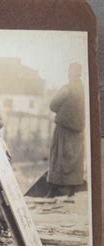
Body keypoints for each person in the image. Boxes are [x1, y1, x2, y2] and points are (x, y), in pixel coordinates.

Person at [46, 62, 85, 198]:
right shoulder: (84, 90)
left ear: (70, 73)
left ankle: (53, 190)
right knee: (75, 158)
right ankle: (72, 190)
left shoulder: (66, 89)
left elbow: (52, 105)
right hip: (79, 130)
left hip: (64, 129)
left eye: (69, 71)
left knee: (57, 157)